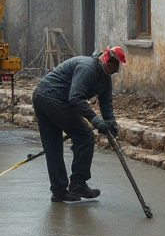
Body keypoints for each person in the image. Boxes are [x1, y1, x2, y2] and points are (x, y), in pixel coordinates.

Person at [33, 46, 125, 203]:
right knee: (84, 135)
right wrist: (95, 120)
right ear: (105, 60)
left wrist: (111, 123)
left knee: (54, 146)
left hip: (50, 98)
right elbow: (75, 98)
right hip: (49, 97)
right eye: (113, 66)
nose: (115, 70)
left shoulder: (105, 76)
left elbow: (106, 102)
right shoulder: (87, 68)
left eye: (117, 68)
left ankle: (59, 191)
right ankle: (78, 183)